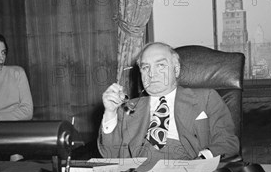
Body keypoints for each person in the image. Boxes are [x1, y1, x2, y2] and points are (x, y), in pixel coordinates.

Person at [97, 42, 239, 160]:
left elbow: (227, 142)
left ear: (176, 70)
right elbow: (110, 154)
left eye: (160, 65)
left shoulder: (206, 98)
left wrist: (202, 159)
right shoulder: (128, 107)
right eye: (146, 67)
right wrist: (110, 113)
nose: (152, 74)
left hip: (188, 169)